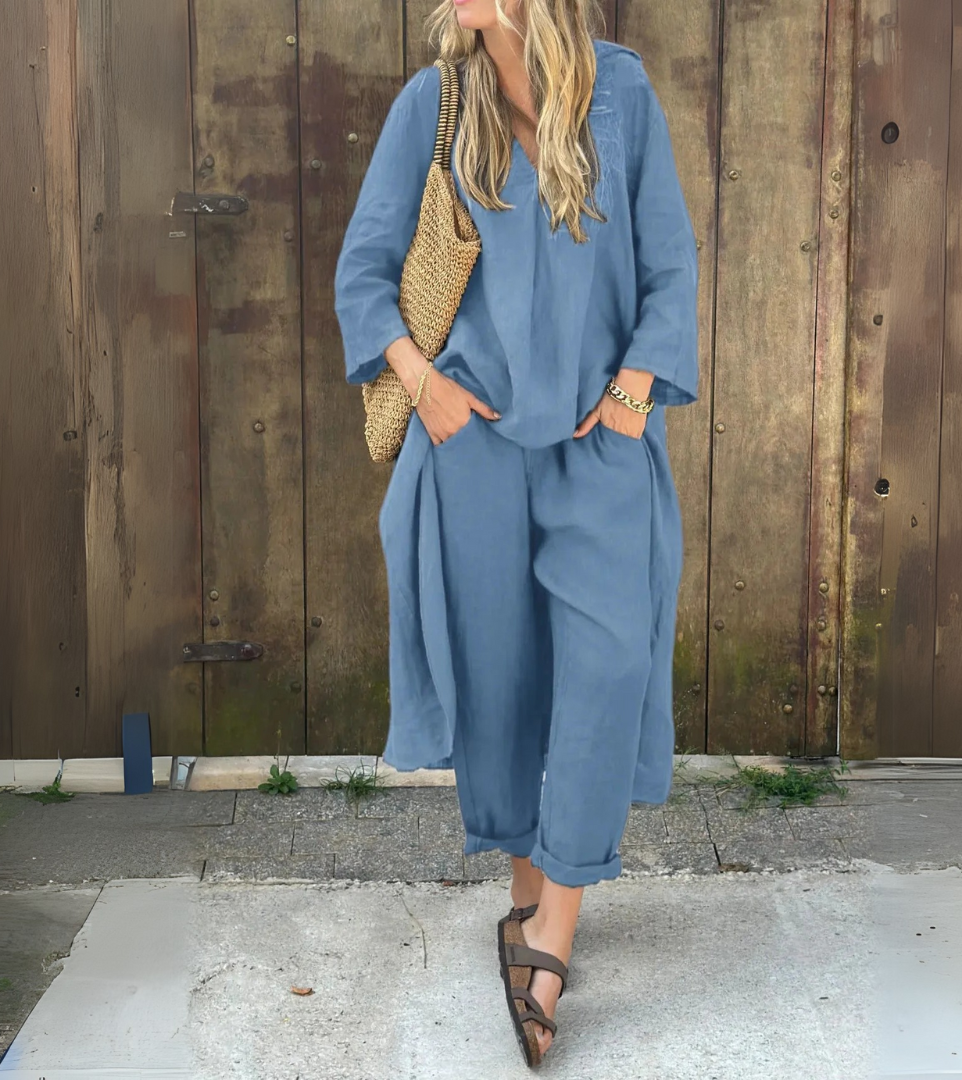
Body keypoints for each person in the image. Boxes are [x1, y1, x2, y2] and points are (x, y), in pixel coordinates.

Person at [334, 0, 698, 1066]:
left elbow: (671, 264)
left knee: (607, 666)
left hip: (600, 446)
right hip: (476, 448)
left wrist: (632, 393)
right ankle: (529, 898)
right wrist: (424, 387)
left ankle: (551, 938)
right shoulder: (437, 103)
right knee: (501, 680)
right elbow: (364, 272)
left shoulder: (621, 93)